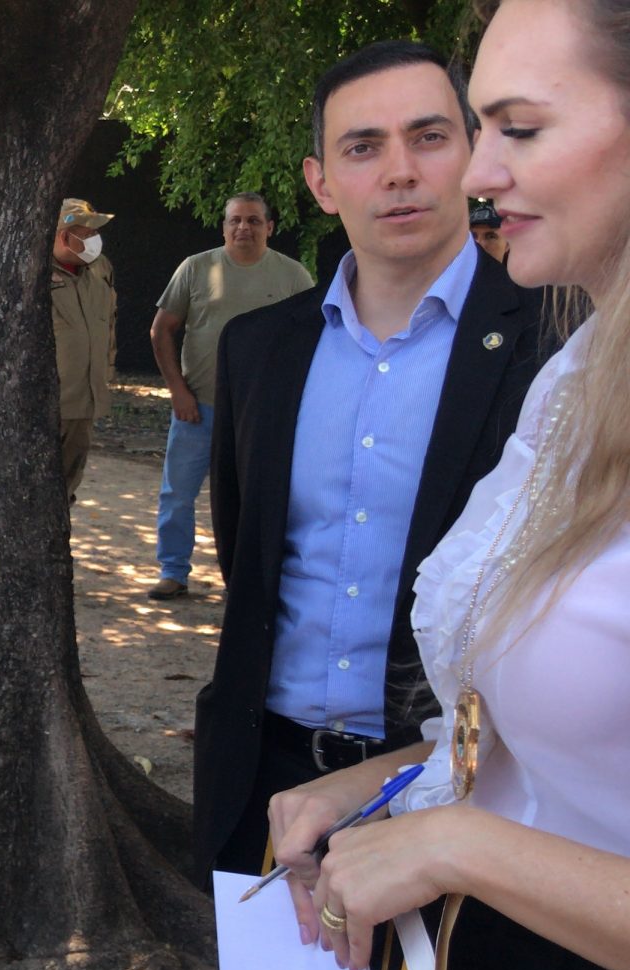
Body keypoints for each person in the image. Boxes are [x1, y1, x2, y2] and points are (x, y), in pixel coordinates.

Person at [269, 2, 630, 970]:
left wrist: (451, 841)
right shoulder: (581, 368)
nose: (473, 171)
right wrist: (392, 782)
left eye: (515, 128)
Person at [194, 41, 546, 880]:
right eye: (364, 147)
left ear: (470, 153)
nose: (399, 172)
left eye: (428, 138)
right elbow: (246, 544)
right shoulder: (259, 349)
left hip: (457, 788)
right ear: (320, 182)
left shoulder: (553, 346)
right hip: (264, 781)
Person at [144, 193, 315, 601]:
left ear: (270, 227)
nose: (244, 228)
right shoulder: (196, 268)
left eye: (254, 221)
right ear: (223, 226)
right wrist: (177, 391)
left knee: (256, 498)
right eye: (235, 220)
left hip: (261, 414)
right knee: (177, 494)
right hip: (196, 409)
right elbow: (161, 330)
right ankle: (173, 571)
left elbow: (312, 339)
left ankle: (247, 579)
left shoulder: (293, 277)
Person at [50, 197, 116, 501]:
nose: (94, 239)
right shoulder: (33, 270)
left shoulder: (101, 268)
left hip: (85, 399)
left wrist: (107, 372)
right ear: (64, 235)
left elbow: (109, 325)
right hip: (49, 402)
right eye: (87, 232)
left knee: (67, 486)